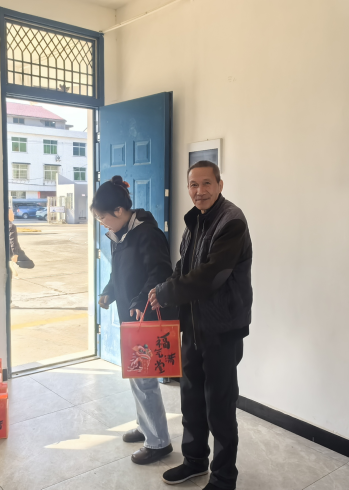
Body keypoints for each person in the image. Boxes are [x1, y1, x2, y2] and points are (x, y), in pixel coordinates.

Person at [148, 161, 253, 490]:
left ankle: (224, 478)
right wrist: (163, 289)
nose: (199, 191)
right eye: (193, 184)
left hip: (222, 329)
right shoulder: (195, 220)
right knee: (191, 399)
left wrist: (168, 293)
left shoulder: (232, 221)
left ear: (220, 185)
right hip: (193, 326)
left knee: (219, 406)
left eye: (206, 183)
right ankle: (194, 461)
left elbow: (211, 276)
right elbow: (185, 265)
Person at [94, 175, 177, 465]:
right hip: (131, 316)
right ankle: (145, 426)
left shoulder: (148, 234)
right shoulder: (121, 234)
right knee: (137, 375)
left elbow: (161, 273)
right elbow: (119, 272)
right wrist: (109, 291)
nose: (102, 224)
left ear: (119, 211)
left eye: (103, 218)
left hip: (146, 317)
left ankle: (158, 442)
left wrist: (140, 300)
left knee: (144, 379)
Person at [7, 208, 34, 276]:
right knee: (30, 264)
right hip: (13, 251)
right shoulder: (11, 226)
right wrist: (15, 254)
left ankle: (11, 265)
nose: (13, 215)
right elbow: (13, 240)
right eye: (11, 213)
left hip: (6, 251)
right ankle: (12, 265)